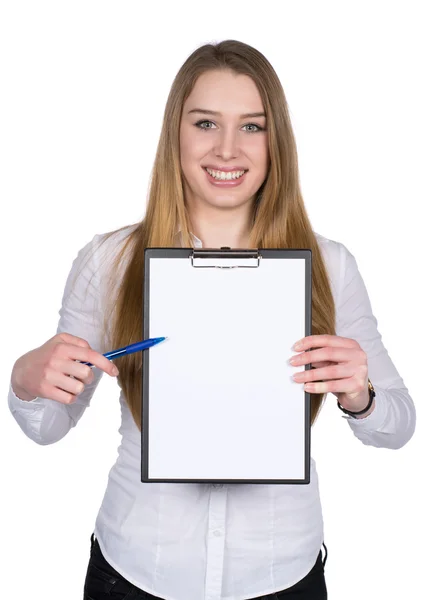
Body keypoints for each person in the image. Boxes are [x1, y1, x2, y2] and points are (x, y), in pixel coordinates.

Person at [8, 40, 416, 600]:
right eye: (206, 123)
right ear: (176, 133)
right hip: (135, 571)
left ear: (278, 143)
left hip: (281, 574)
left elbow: (398, 425)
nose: (228, 149)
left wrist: (360, 395)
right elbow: (48, 428)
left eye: (253, 126)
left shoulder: (330, 265)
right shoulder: (111, 260)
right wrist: (27, 376)